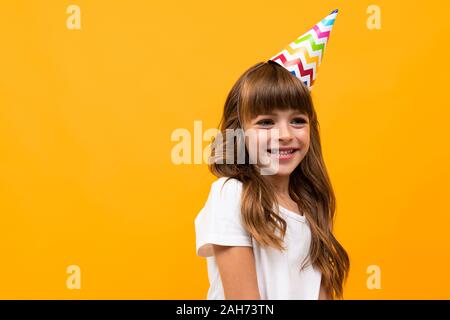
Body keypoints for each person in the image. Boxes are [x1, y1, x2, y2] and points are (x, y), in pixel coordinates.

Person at [195, 9, 349, 300]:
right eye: (266, 122)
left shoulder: (312, 206)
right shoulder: (232, 195)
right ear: (239, 132)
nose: (285, 134)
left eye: (297, 120)